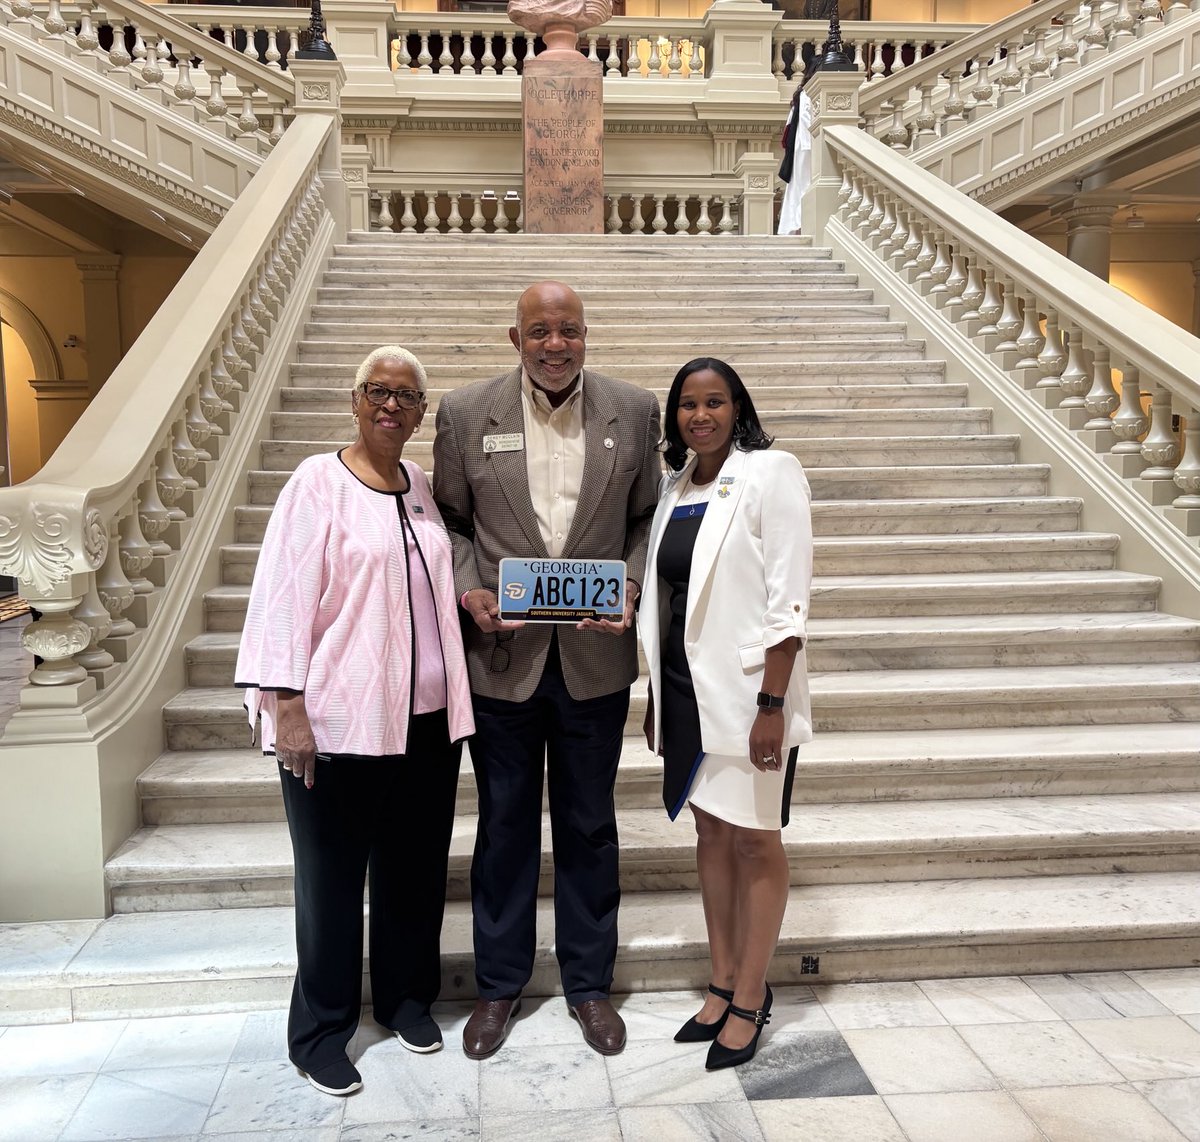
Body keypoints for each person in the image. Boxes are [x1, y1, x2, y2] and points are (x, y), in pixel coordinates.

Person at [235, 346, 475, 1096]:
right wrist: (290, 706)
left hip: (426, 723)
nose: (391, 405)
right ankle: (321, 1031)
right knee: (331, 881)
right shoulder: (317, 483)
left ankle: (406, 1000)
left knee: (413, 872)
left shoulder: (421, 491)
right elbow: (281, 593)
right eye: (378, 390)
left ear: (421, 411)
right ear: (355, 398)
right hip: (337, 723)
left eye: (407, 395)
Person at [433, 281, 661, 1059]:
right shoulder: (467, 415)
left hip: (595, 660)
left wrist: (629, 582)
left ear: (586, 336)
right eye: (540, 331)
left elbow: (643, 520)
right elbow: (454, 521)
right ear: (515, 337)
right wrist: (469, 587)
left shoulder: (632, 411)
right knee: (503, 828)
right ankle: (499, 987)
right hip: (504, 660)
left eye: (569, 330)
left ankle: (588, 986)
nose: (555, 344)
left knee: (590, 825)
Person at [638, 357, 813, 1070]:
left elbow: (788, 596)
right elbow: (669, 600)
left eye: (714, 403)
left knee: (754, 841)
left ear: (737, 408)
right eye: (687, 404)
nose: (700, 416)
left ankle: (750, 994)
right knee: (710, 834)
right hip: (684, 693)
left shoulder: (772, 473)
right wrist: (655, 695)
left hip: (750, 698)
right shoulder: (676, 486)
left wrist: (772, 704)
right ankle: (718, 980)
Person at [777, 56, 819, 236]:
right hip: (807, 145)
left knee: (799, 186)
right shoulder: (809, 93)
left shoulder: (802, 93)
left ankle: (793, 224)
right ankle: (800, 223)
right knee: (804, 185)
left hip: (802, 146)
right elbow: (807, 121)